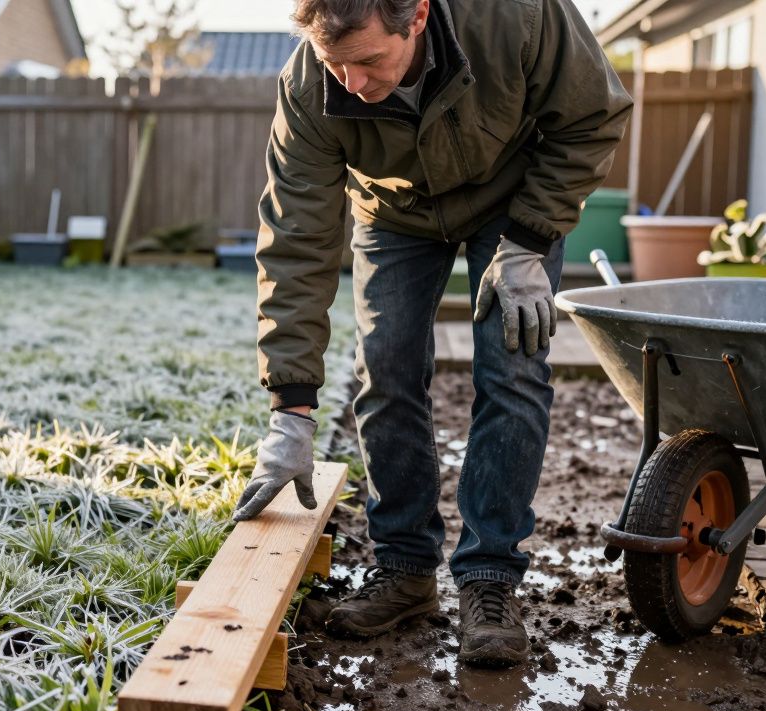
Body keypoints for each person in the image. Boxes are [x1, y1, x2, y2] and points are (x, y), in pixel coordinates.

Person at [232, 0, 632, 668]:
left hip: (514, 202)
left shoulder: (514, 16)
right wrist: (290, 413)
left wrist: (531, 239)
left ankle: (489, 579)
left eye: (367, 61)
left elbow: (594, 115)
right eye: (337, 65)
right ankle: (406, 569)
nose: (351, 84)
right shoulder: (310, 84)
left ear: (416, 16)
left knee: (512, 368)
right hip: (395, 213)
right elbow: (296, 243)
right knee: (384, 368)